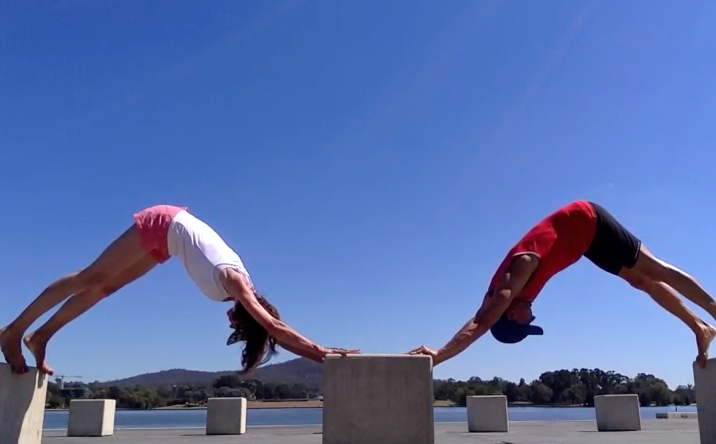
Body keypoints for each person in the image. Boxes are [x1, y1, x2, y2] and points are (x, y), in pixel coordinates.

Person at [0, 205, 358, 376]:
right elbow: (275, 328)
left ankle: (41, 337)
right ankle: (14, 330)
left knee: (105, 289)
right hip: (165, 222)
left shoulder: (236, 291)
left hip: (167, 245)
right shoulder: (237, 283)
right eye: (237, 325)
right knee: (92, 277)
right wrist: (321, 351)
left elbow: (272, 331)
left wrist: (321, 357)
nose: (230, 323)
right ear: (248, 316)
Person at [409, 200, 716, 368]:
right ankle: (700, 328)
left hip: (588, 220)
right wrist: (442, 353)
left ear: (511, 314)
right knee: (641, 281)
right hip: (586, 243)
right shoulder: (502, 297)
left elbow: (483, 323)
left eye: (527, 324)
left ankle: (713, 311)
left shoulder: (515, 276)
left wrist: (440, 355)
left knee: (655, 270)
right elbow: (478, 320)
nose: (533, 318)